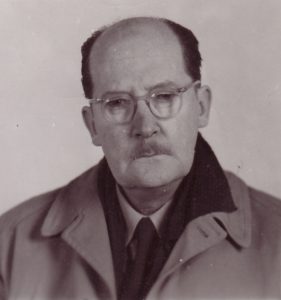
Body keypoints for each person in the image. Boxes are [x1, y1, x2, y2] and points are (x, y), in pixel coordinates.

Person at [0, 16, 281, 300]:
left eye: (165, 96)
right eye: (118, 103)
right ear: (93, 125)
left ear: (201, 106)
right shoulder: (9, 244)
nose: (145, 127)